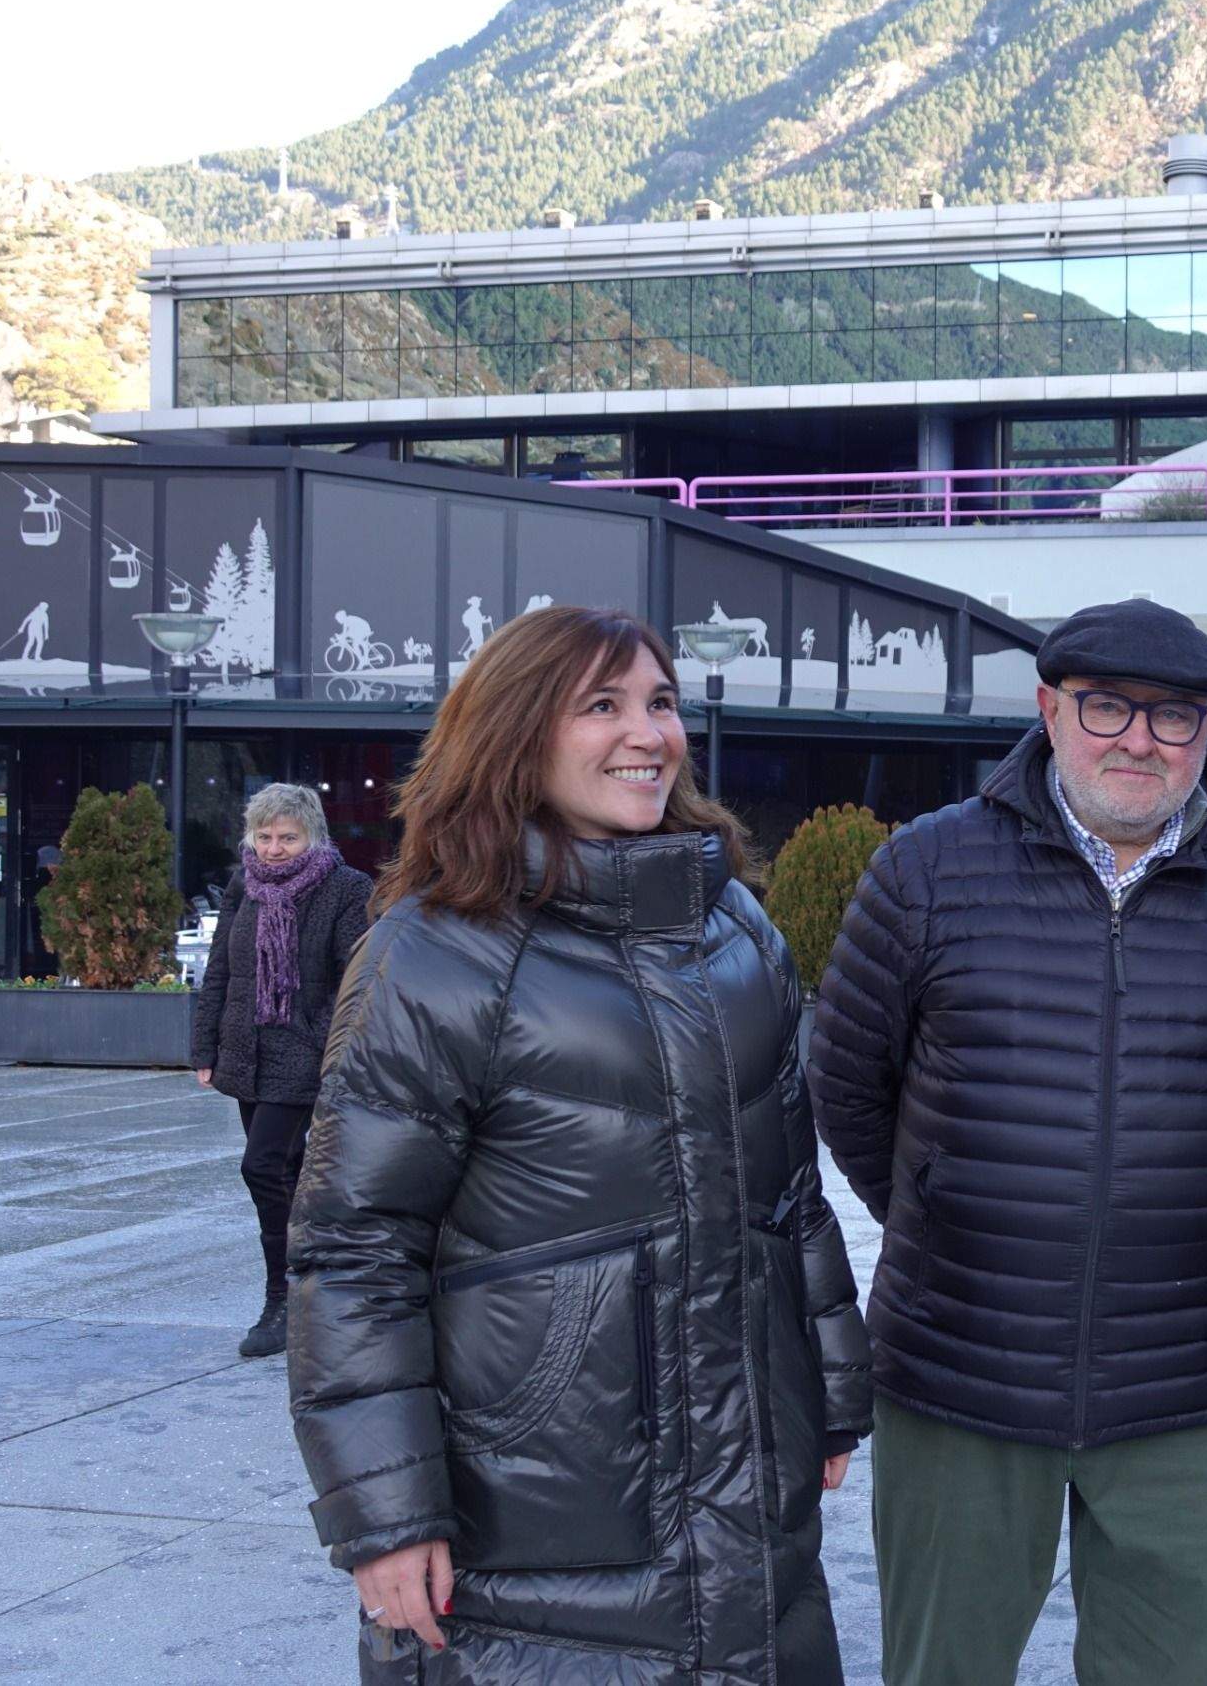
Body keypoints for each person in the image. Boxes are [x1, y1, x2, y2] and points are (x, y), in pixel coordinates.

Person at [285, 605, 870, 1683]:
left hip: (748, 1475)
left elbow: (792, 1193)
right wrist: (385, 1510)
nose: (648, 733)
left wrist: (829, 1392)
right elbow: (357, 1248)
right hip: (530, 1502)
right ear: (515, 732)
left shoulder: (737, 929)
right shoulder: (435, 952)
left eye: (660, 702)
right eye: (602, 705)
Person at [809, 597, 1207, 1686]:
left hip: (1184, 1385)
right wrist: (941, 1210)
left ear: (1206, 733)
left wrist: (1181, 1219)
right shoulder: (925, 871)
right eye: (1106, 707)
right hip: (962, 1371)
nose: (1139, 738)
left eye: (1173, 715)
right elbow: (849, 1088)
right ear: (1049, 711)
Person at [188, 783, 373, 1359]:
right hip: (247, 1050)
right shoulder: (245, 885)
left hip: (305, 1053)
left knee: (262, 1165)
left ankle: (283, 1298)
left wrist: (327, 1045)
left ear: (312, 835)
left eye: (287, 838)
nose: (273, 849)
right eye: (264, 836)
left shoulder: (347, 888)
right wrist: (204, 1046)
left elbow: (357, 979)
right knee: (286, 1173)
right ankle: (313, 1294)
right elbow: (219, 970)